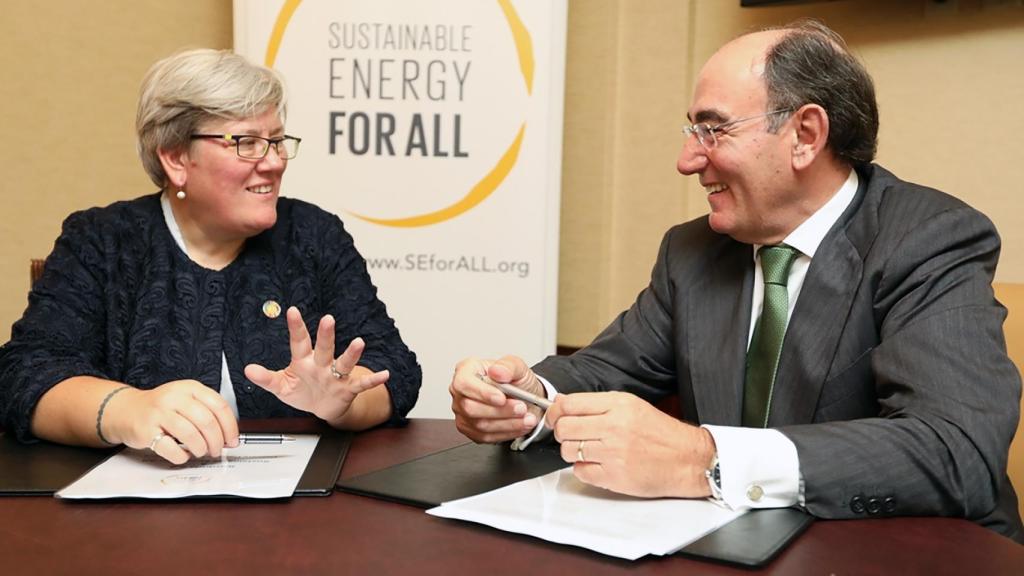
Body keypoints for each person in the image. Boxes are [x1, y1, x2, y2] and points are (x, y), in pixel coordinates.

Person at [449, 20, 1023, 541]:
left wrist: (703, 457)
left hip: (912, 553)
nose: (685, 159)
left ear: (805, 134)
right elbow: (604, 370)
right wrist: (526, 399)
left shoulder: (930, 238)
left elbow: (955, 451)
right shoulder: (693, 250)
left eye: (712, 129)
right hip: (734, 547)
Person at [0, 49, 420, 464]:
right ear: (177, 157)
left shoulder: (314, 235)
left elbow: (394, 368)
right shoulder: (102, 241)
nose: (274, 162)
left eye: (276, 141)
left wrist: (341, 399)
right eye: (248, 143)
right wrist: (128, 409)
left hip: (296, 517)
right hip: (139, 518)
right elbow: (25, 374)